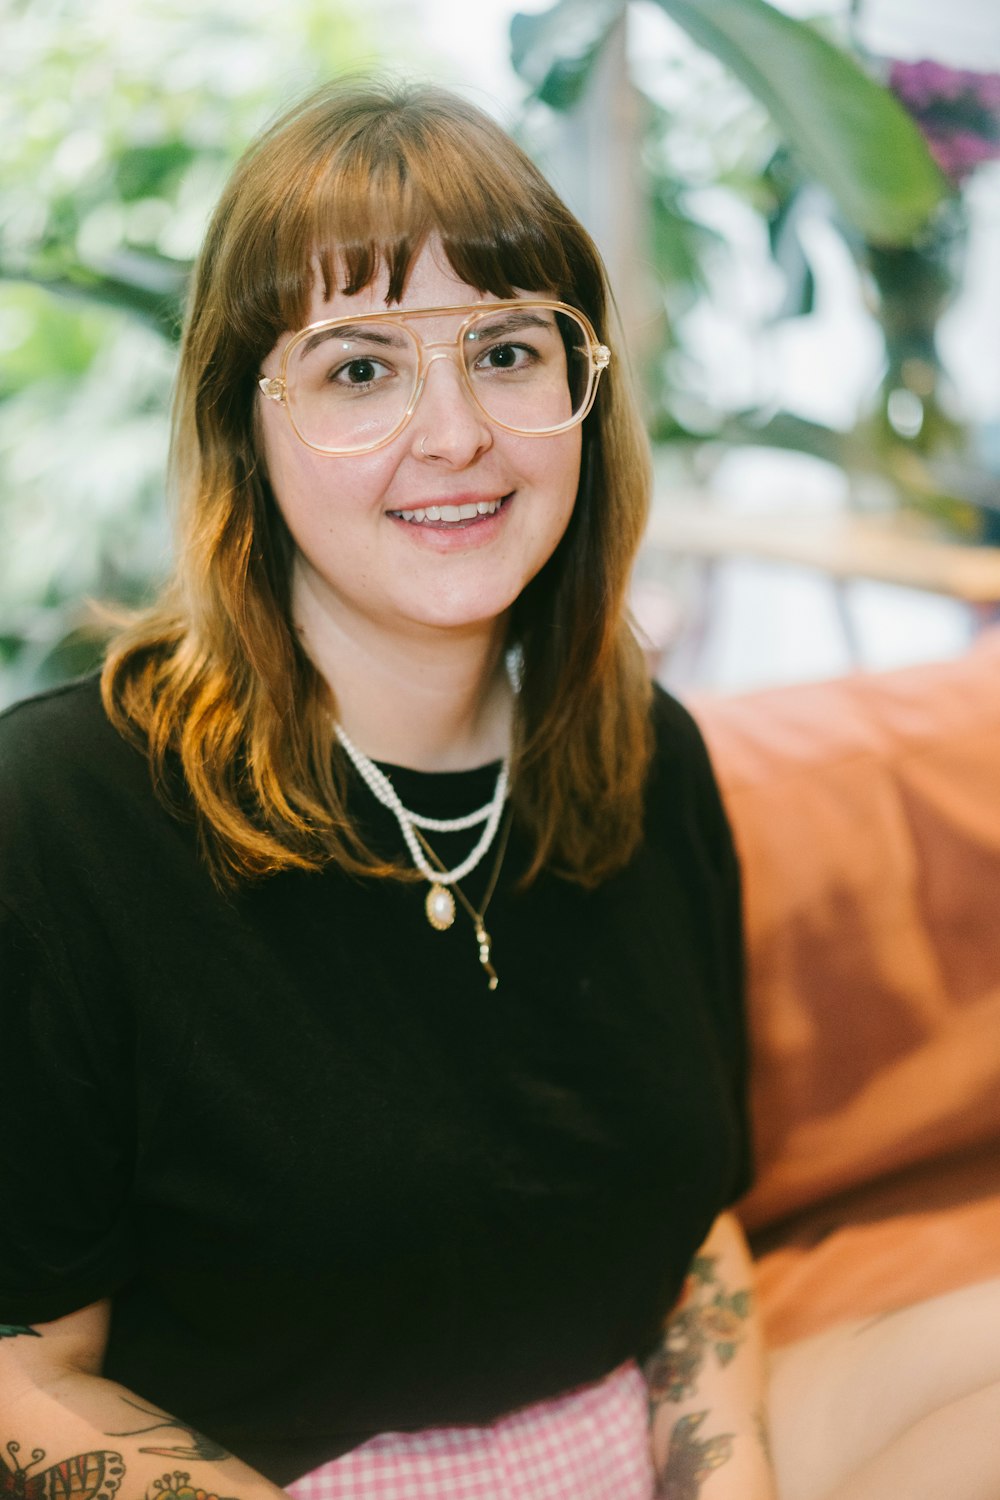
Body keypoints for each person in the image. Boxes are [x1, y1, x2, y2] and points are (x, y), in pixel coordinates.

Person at [1, 78, 998, 1500]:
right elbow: (24, 1373)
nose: (457, 432)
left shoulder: (645, 756)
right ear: (244, 422)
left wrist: (727, 1484)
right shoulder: (65, 812)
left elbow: (696, 1225)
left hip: (617, 1428)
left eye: (507, 351)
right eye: (360, 368)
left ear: (580, 389)